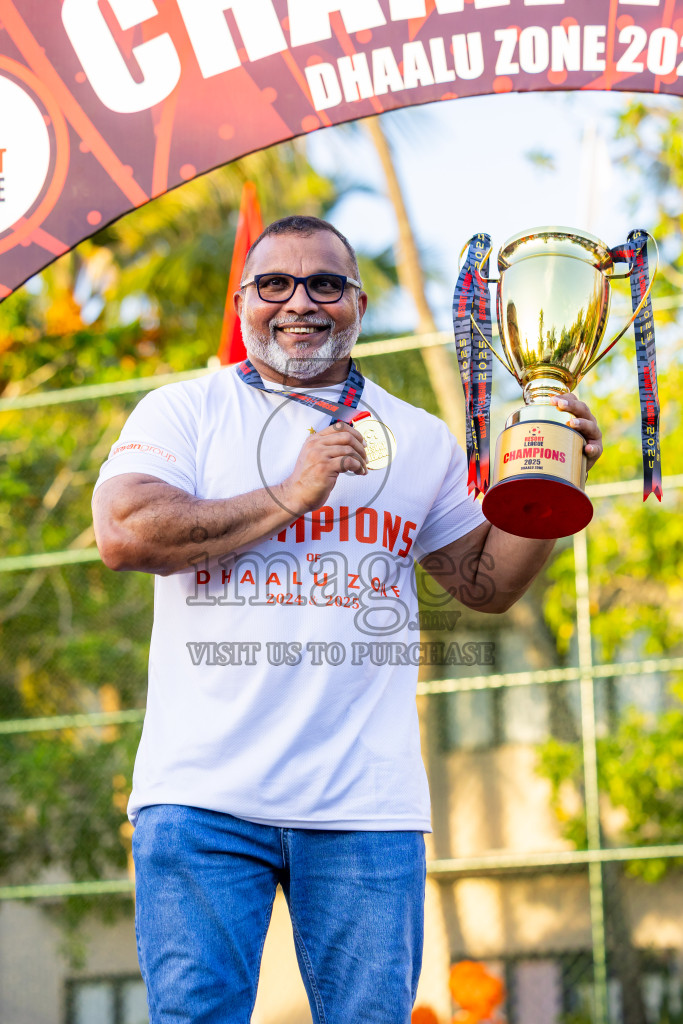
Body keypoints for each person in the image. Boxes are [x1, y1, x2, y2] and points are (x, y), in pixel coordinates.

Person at [92, 215, 603, 1024]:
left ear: (357, 303)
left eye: (324, 283)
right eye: (274, 284)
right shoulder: (182, 411)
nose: (299, 302)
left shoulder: (418, 436)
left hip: (365, 807)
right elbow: (125, 533)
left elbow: (482, 583)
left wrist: (546, 482)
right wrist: (289, 494)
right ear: (243, 302)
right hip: (202, 798)